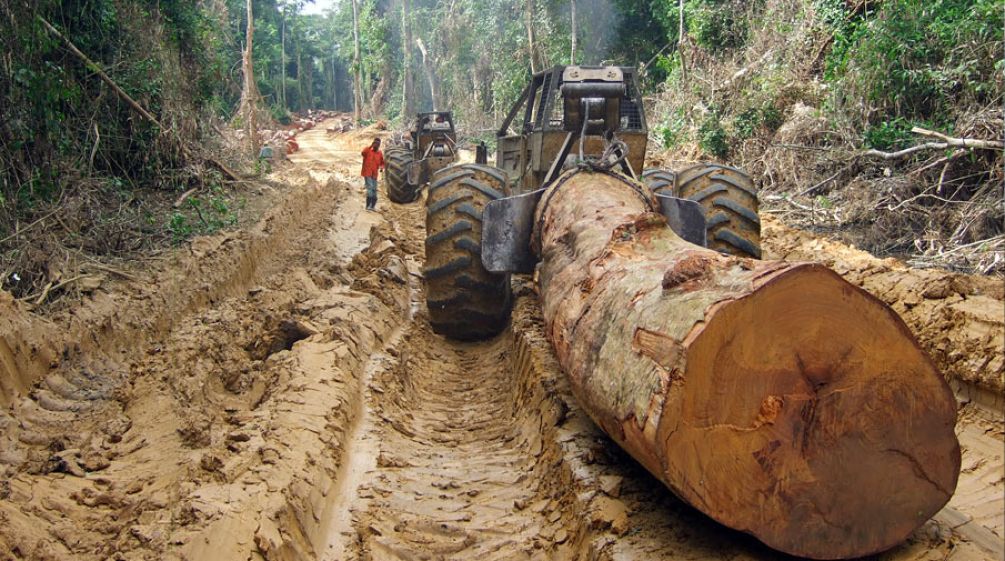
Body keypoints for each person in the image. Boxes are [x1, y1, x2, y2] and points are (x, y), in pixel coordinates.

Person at [360, 137, 385, 211]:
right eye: (375, 143)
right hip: (367, 172)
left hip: (374, 174)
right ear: (373, 143)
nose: (376, 145)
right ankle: (368, 206)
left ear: (379, 145)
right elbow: (363, 153)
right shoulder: (368, 151)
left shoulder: (379, 153)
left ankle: (372, 206)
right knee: (370, 188)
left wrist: (381, 167)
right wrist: (371, 146)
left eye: (378, 144)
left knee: (374, 190)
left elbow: (382, 163)